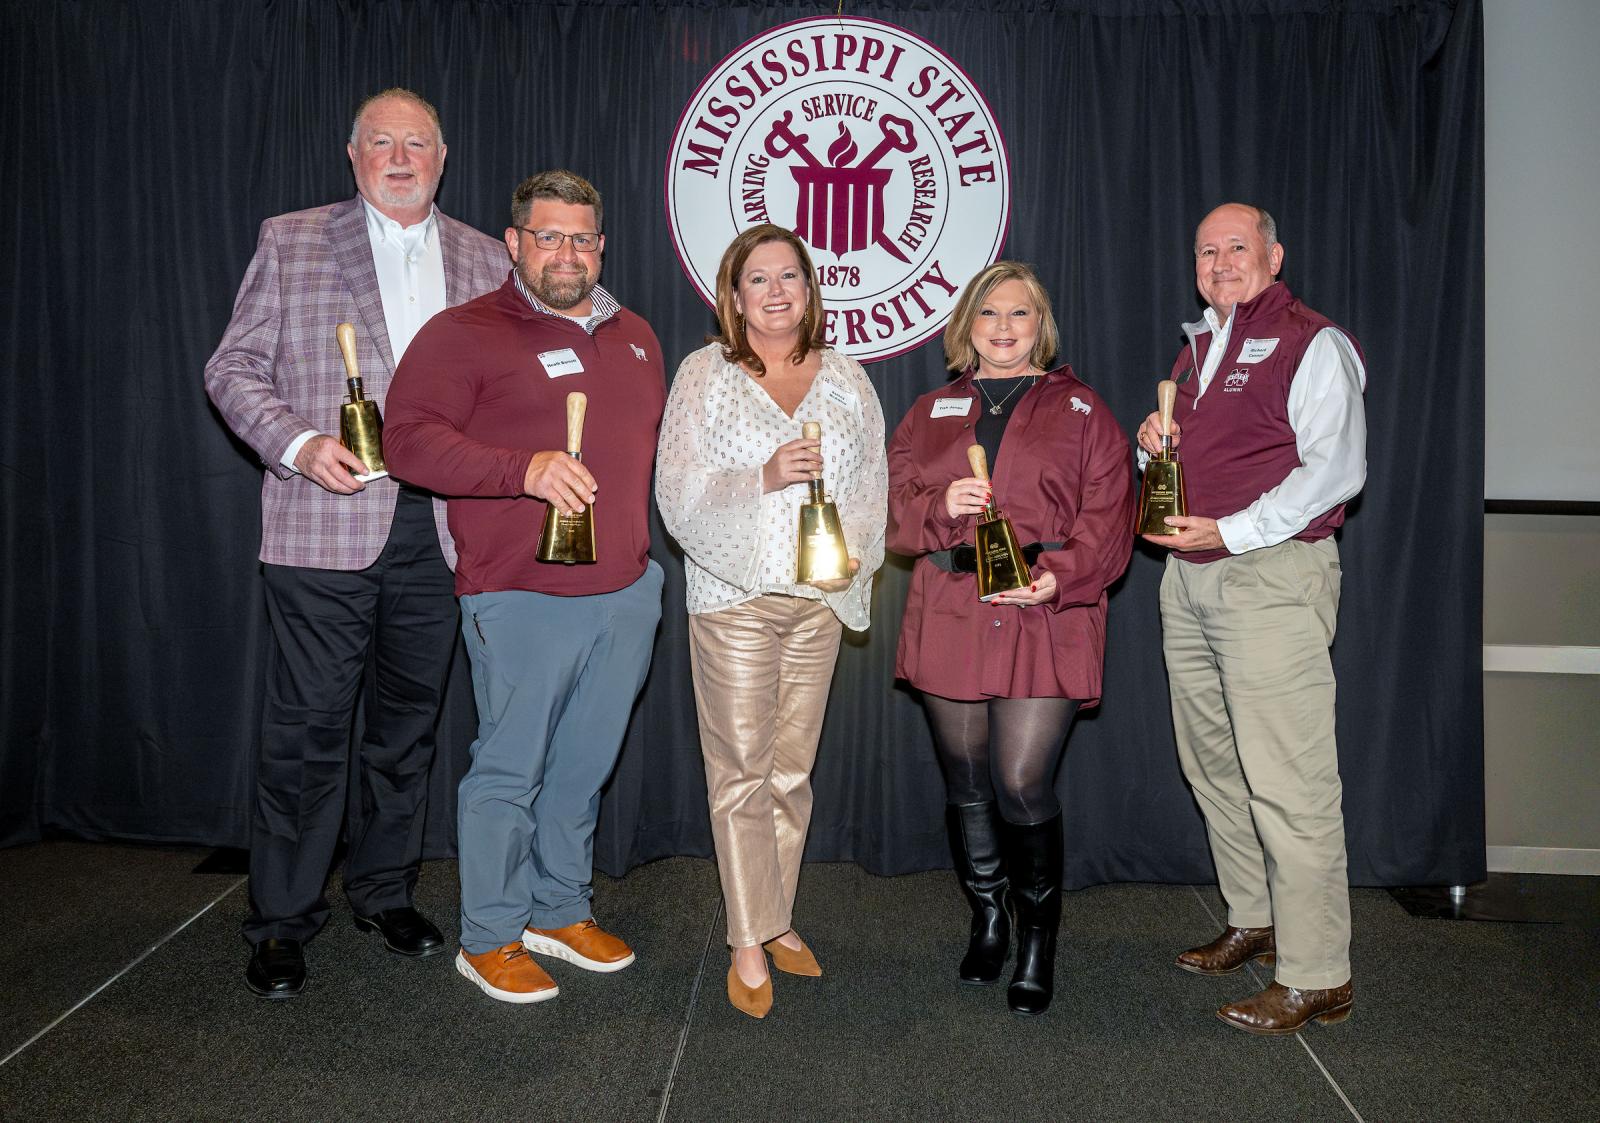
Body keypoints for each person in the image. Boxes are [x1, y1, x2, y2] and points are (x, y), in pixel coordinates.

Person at [204, 89, 509, 999]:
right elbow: (233, 367)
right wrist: (299, 444)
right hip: (323, 520)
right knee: (305, 734)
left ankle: (383, 888)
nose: (401, 156)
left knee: (407, 730)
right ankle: (283, 920)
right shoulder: (292, 238)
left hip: (443, 527)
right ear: (353, 154)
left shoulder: (488, 256)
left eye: (418, 142)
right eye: (383, 141)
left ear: (444, 157)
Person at [382, 170, 665, 1005]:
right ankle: (491, 933)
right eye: (548, 236)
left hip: (625, 590)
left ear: (602, 244)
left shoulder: (638, 335)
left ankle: (558, 907)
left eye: (582, 237)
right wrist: (523, 469)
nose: (566, 253)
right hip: (518, 592)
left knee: (583, 768)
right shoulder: (464, 332)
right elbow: (407, 443)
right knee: (509, 768)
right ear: (514, 244)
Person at [1138, 203, 1366, 1035]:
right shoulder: (1199, 347)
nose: (1221, 260)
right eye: (1207, 249)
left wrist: (1233, 531)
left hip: (1268, 578)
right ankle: (1254, 918)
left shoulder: (1314, 342)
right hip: (1190, 581)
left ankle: (1318, 974)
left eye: (1238, 246)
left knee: (1290, 783)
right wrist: (1150, 445)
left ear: (1275, 252)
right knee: (1214, 767)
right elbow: (1208, 458)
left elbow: (1336, 470)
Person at [887, 261, 1134, 1015]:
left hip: (1043, 611)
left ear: (1041, 325)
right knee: (966, 784)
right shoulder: (929, 409)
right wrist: (939, 504)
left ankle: (1037, 937)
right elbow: (891, 515)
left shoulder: (1086, 411)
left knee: (1021, 781)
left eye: (1019, 315)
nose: (1002, 328)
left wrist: (1063, 573)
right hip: (953, 605)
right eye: (988, 314)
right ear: (967, 324)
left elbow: (1110, 516)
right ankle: (989, 914)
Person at [655, 224, 887, 1019]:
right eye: (759, 278)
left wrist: (856, 553)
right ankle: (748, 937)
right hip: (734, 599)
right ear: (735, 294)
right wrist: (764, 473)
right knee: (741, 769)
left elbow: (871, 487)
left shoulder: (850, 378)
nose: (777, 290)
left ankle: (776, 912)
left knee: (792, 768)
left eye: (790, 275)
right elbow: (675, 488)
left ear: (810, 288)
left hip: (817, 601)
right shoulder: (705, 374)